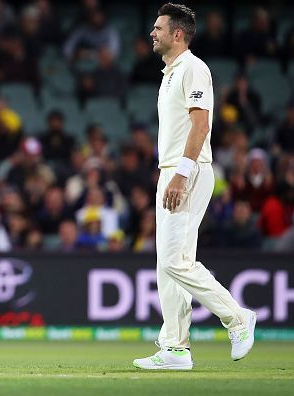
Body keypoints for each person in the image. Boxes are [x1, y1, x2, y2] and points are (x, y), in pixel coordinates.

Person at [133, 4, 256, 371]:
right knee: (166, 265)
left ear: (178, 34)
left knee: (174, 262)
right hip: (172, 171)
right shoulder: (170, 71)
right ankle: (175, 348)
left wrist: (182, 174)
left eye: (158, 28)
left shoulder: (193, 68)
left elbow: (200, 128)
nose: (152, 33)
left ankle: (236, 318)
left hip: (188, 171)